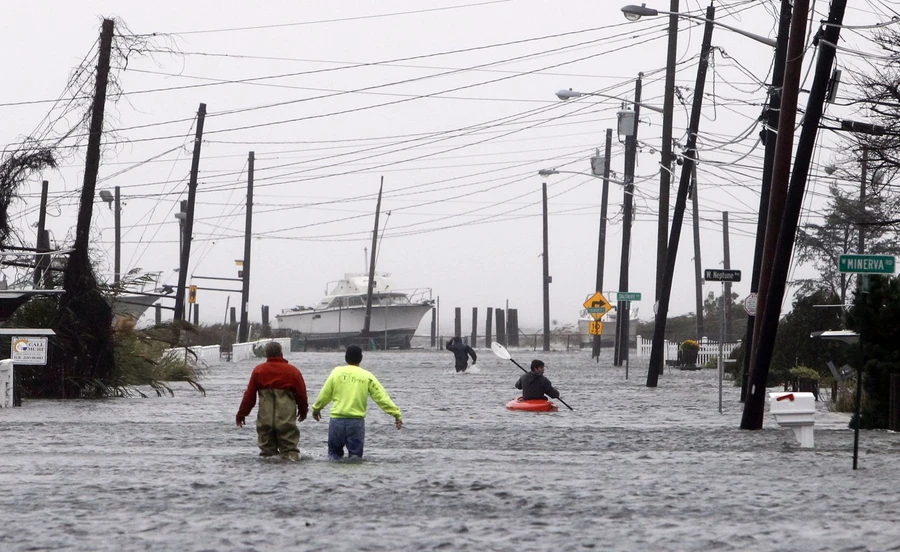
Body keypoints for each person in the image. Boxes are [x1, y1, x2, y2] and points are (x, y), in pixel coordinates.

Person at [311, 345, 403, 460]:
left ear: (345, 357)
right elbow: (382, 398)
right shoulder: (367, 376)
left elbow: (325, 394)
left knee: (333, 457)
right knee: (355, 458)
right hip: (356, 423)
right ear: (361, 358)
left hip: (336, 422)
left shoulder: (336, 372)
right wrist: (396, 414)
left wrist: (316, 409)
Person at [235, 341, 308, 461]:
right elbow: (302, 395)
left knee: (267, 455)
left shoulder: (259, 371)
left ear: (266, 354)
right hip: (286, 420)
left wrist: (241, 414)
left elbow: (249, 396)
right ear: (281, 353)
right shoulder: (293, 371)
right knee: (290, 453)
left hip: (265, 420)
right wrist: (303, 410)